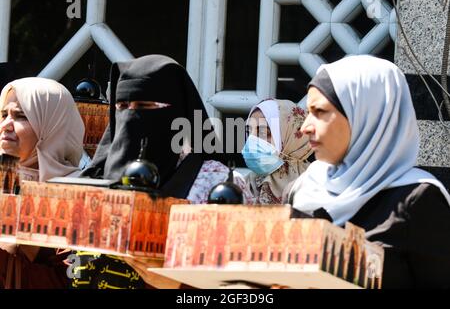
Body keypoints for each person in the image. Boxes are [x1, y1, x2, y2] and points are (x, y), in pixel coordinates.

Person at [73, 54, 253, 289]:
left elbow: (241, 285)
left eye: (144, 107)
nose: (131, 117)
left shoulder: (215, 184)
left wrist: (177, 285)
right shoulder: (94, 180)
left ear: (176, 113)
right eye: (122, 107)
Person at [286, 55, 450, 289]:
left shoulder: (416, 200)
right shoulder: (302, 190)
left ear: (366, 114)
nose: (306, 127)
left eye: (320, 111)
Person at [0, 77, 85, 288]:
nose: (5, 125)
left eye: (20, 116)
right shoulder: (4, 179)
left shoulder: (79, 196)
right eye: (3, 115)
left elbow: (70, 280)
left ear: (52, 126)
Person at [241, 99, 312, 204]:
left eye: (263, 132)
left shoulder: (313, 186)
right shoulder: (243, 187)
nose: (252, 140)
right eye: (249, 131)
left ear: (288, 137)